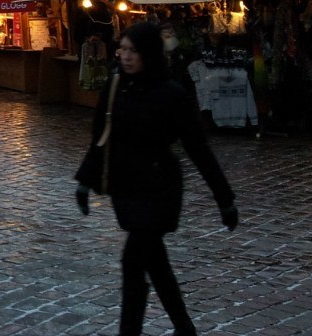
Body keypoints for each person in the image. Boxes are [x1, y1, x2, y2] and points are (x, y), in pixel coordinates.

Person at [74, 20, 239, 336]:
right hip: (126, 189)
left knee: (133, 262)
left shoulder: (171, 94)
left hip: (159, 189)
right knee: (155, 262)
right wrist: (85, 180)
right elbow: (100, 136)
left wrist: (225, 199)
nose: (126, 56)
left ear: (148, 52)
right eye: (122, 49)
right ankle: (184, 326)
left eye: (133, 50)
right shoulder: (114, 87)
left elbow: (198, 149)